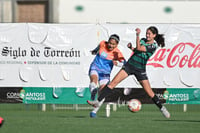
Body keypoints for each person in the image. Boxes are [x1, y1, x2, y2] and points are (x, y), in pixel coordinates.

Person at [87, 26, 170, 118]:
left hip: (140, 69)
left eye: (149, 34)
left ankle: (162, 108)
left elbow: (139, 48)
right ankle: (97, 102)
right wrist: (131, 48)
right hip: (129, 66)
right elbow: (137, 51)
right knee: (112, 84)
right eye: (146, 33)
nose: (147, 35)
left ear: (154, 35)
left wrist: (137, 35)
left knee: (150, 92)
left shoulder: (153, 46)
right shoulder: (143, 40)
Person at [88, 34, 126, 102]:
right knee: (94, 80)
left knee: (102, 92)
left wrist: (118, 63)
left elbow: (125, 63)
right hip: (95, 67)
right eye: (110, 43)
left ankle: (94, 111)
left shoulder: (117, 53)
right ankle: (93, 92)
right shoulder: (102, 43)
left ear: (117, 45)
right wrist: (94, 51)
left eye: (113, 44)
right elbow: (97, 48)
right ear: (107, 41)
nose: (110, 45)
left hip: (105, 73)